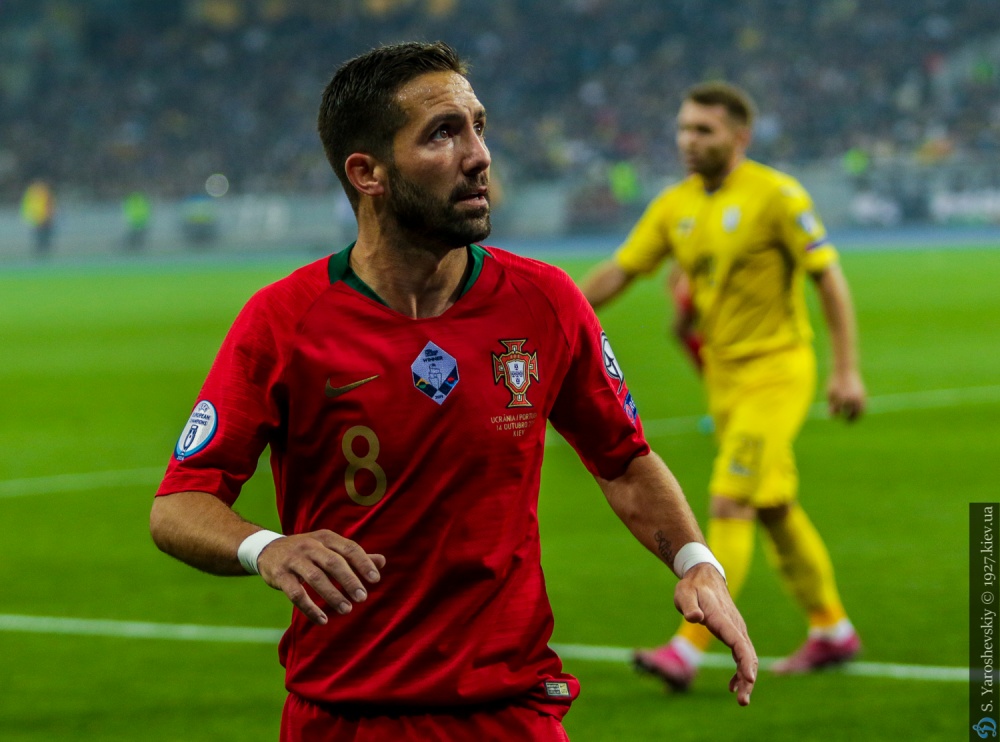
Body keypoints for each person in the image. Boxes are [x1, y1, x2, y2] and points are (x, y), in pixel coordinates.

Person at [149, 42, 757, 741]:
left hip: (510, 709)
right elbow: (178, 504)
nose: (480, 156)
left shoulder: (544, 301)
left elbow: (622, 459)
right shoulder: (286, 321)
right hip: (344, 716)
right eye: (443, 133)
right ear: (367, 173)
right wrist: (266, 547)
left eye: (479, 126)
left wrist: (696, 563)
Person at [580, 81, 866, 691]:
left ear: (740, 136)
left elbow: (828, 278)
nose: (688, 140)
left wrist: (846, 369)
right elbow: (622, 270)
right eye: (684, 128)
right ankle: (832, 628)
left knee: (730, 500)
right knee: (774, 507)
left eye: (703, 130)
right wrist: (555, 313)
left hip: (777, 371)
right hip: (724, 379)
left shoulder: (777, 195)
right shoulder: (675, 205)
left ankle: (687, 650)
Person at [20, 178, 56, 256]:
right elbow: (26, 205)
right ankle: (41, 252)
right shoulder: (34, 191)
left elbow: (50, 204)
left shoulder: (42, 191)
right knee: (39, 237)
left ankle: (43, 252)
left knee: (44, 236)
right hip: (38, 218)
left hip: (43, 218)